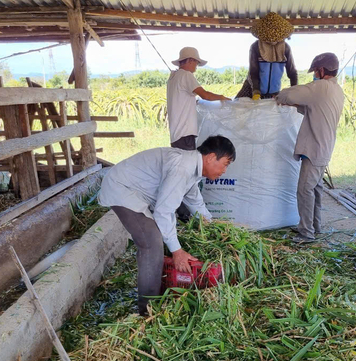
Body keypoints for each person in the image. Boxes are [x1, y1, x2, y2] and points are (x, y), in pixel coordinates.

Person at [98, 136, 236, 315]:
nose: (225, 170)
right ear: (210, 157)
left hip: (136, 192)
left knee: (161, 235)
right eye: (225, 164)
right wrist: (177, 251)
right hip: (122, 189)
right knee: (151, 241)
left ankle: (157, 289)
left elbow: (196, 202)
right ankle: (147, 310)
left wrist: (213, 227)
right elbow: (163, 212)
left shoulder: (192, 171)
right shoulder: (183, 168)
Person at [275, 53, 345, 243]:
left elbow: (288, 94)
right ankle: (316, 226)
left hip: (315, 147)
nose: (314, 74)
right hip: (324, 146)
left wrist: (280, 96)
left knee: (305, 189)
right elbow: (312, 109)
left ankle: (306, 233)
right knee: (315, 188)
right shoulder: (336, 90)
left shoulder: (320, 86)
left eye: (315, 71)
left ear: (322, 70)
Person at [167, 47, 230, 151]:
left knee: (180, 163)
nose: (196, 67)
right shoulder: (186, 75)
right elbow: (205, 95)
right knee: (187, 164)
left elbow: (182, 99)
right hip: (185, 133)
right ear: (190, 60)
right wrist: (222, 97)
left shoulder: (173, 77)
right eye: (196, 63)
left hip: (176, 133)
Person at [235, 12, 298, 100]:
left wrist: (294, 90)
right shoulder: (256, 47)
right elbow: (254, 72)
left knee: (270, 113)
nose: (272, 39)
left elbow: (292, 72)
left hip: (274, 92)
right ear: (263, 35)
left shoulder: (285, 48)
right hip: (252, 88)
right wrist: (256, 92)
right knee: (238, 109)